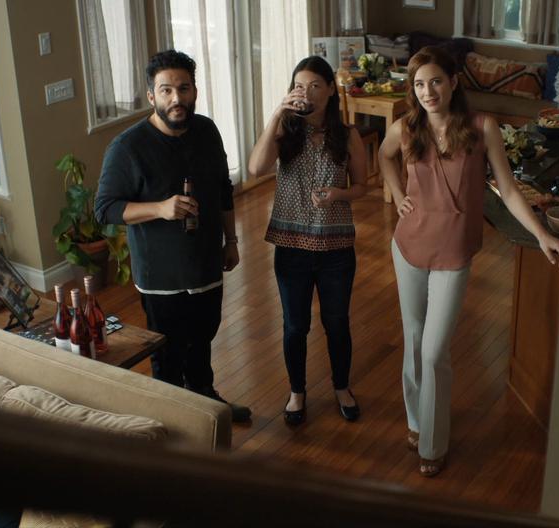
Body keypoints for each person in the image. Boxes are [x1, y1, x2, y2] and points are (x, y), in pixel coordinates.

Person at [378, 46, 559, 476]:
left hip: (454, 253)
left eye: (436, 81)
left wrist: (542, 234)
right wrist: (396, 191)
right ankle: (415, 420)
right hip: (407, 247)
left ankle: (432, 443)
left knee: (434, 351)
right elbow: (385, 156)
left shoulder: (482, 127)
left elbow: (509, 188)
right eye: (419, 84)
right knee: (413, 339)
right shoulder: (406, 127)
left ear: (454, 81)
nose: (428, 92)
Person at [94, 50, 251, 423]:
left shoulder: (208, 131)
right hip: (161, 276)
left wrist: (231, 241)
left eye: (183, 88)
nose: (176, 98)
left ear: (195, 90)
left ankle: (207, 405)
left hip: (207, 264)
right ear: (151, 96)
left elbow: (223, 190)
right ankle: (169, 421)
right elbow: (105, 208)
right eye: (166, 90)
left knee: (203, 340)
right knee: (167, 353)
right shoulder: (128, 147)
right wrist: (160, 208)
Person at [247, 56, 368, 425]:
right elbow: (254, 168)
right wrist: (274, 117)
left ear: (331, 89)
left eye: (316, 85)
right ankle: (297, 392)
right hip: (291, 246)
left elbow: (363, 186)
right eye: (300, 86)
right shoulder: (286, 131)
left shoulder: (347, 135)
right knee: (295, 325)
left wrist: (338, 195)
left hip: (336, 249)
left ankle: (342, 387)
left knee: (336, 322)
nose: (307, 92)